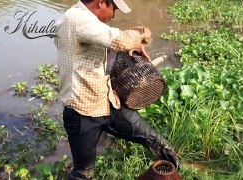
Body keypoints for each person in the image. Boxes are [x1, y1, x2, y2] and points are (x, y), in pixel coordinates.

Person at [54, 0, 180, 179]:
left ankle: (177, 172)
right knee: (83, 173)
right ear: (101, 2)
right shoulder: (76, 19)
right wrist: (142, 35)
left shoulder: (85, 22)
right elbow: (119, 39)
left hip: (107, 103)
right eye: (114, 9)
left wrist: (129, 49)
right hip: (83, 112)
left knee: (155, 140)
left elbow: (103, 49)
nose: (114, 15)